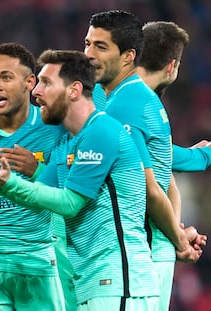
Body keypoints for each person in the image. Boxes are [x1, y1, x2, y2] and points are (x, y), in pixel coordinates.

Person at [0, 49, 162, 311]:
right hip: (92, 281)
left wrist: (7, 183)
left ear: (73, 90)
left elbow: (70, 203)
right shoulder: (66, 142)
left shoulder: (101, 131)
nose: (37, 91)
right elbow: (40, 197)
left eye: (46, 83)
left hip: (120, 279)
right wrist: (0, 182)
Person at [84, 10, 205, 310]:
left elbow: (156, 165)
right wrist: (178, 238)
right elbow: (150, 182)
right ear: (172, 66)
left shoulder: (106, 96)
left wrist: (177, 232)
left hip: (128, 247)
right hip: (138, 246)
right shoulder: (131, 102)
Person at [0, 42, 66, 310]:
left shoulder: (53, 130)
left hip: (37, 263)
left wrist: (38, 170)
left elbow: (72, 195)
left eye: (6, 77)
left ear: (29, 82)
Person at [136, 21, 211, 173]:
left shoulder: (114, 87)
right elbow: (155, 154)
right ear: (171, 66)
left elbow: (149, 150)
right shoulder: (142, 100)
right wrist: (204, 155)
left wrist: (191, 153)